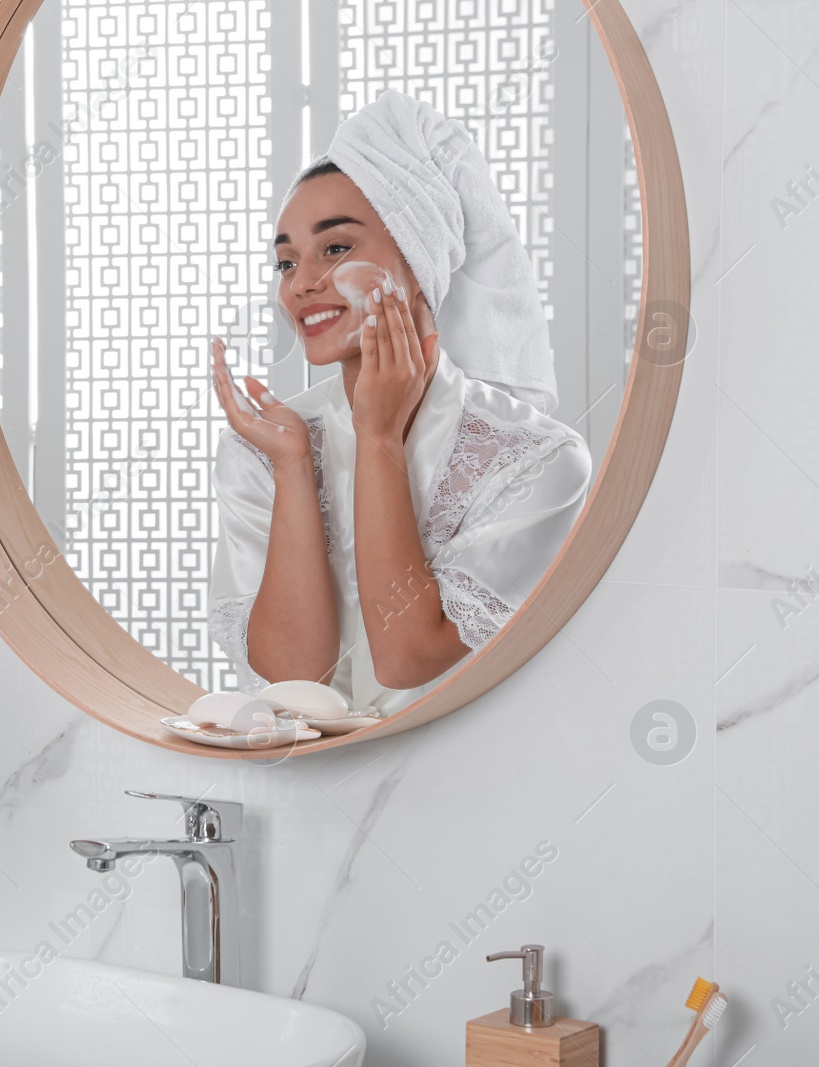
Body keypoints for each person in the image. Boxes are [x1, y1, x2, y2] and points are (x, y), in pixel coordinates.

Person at [208, 91, 592, 715]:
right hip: (313, 796)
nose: (301, 284)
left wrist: (379, 439)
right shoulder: (263, 447)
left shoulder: (538, 462)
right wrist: (293, 469)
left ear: (417, 260)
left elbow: (408, 657)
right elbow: (294, 677)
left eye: (335, 249)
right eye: (285, 261)